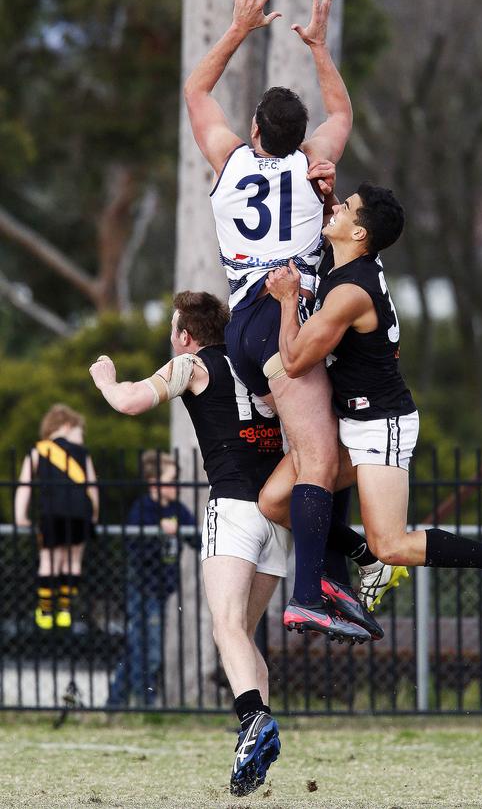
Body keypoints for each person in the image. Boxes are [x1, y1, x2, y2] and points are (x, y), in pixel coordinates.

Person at [88, 291, 385, 796]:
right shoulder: (254, 361)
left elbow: (130, 402)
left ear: (185, 335)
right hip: (279, 514)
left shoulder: (193, 364)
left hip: (234, 510)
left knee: (225, 628)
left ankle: (254, 720)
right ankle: (253, 741)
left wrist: (105, 379)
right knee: (241, 637)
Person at [264, 183, 482, 616]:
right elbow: (340, 220)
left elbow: (294, 361)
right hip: (351, 420)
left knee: (392, 544)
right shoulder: (353, 261)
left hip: (380, 425)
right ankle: (368, 560)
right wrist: (322, 184)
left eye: (346, 208)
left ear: (359, 234)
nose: (336, 209)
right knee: (275, 502)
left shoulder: (351, 292)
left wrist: (287, 300)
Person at [183, 0, 364, 638]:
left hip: (249, 323)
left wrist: (238, 28)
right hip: (281, 321)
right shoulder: (314, 163)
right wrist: (317, 47)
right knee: (318, 459)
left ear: (256, 127)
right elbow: (341, 114)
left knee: (331, 449)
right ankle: (311, 590)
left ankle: (334, 575)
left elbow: (197, 91)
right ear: (299, 133)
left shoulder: (229, 162)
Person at [106, 450, 195, 708]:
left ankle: (115, 702)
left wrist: (181, 532)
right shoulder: (142, 509)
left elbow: (197, 539)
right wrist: (159, 534)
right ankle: (145, 700)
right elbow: (136, 548)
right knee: (149, 649)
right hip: (143, 588)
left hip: (162, 589)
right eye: (171, 480)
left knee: (138, 646)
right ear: (155, 483)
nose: (176, 486)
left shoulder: (178, 510)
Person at [14, 404, 99, 630]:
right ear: (68, 425)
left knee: (49, 561)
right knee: (72, 562)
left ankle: (44, 610)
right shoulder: (82, 453)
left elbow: (24, 486)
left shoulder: (38, 450)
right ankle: (64, 609)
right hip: (80, 514)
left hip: (52, 513)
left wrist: (20, 515)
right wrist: (94, 515)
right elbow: (92, 487)